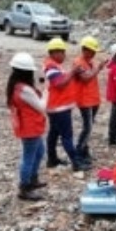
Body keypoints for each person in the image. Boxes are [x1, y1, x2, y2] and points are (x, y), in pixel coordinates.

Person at [6, 52, 47, 201]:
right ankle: (24, 188)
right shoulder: (24, 90)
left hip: (29, 126)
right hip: (30, 128)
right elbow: (42, 107)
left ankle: (32, 179)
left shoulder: (15, 86)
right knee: (29, 157)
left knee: (39, 152)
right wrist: (47, 90)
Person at [42, 38, 85, 172]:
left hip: (58, 106)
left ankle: (52, 159)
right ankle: (76, 162)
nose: (64, 55)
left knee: (54, 134)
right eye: (62, 52)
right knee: (67, 135)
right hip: (58, 107)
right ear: (54, 52)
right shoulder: (50, 66)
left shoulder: (54, 65)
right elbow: (59, 84)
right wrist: (73, 72)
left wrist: (72, 73)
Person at [73, 35, 107, 169]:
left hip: (93, 99)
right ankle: (79, 154)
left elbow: (91, 77)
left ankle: (84, 150)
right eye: (91, 51)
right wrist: (98, 68)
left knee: (89, 126)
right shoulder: (78, 63)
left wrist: (98, 67)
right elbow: (85, 78)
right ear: (85, 49)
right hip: (84, 100)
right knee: (87, 128)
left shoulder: (90, 62)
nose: (93, 54)